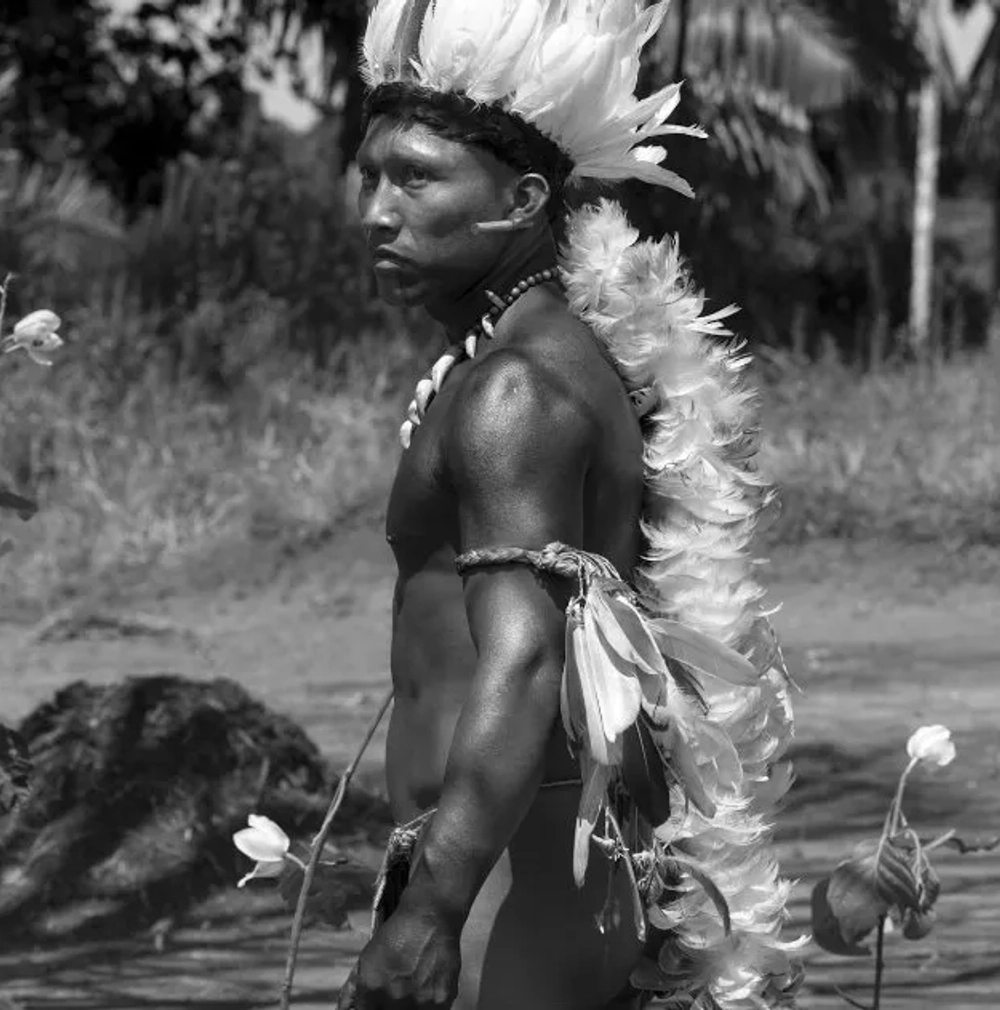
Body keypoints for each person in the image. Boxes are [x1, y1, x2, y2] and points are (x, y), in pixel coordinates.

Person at [331, 1, 806, 1008]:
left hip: (516, 874)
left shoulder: (514, 392)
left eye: (415, 177)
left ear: (522, 198)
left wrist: (429, 913)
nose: (374, 209)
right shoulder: (547, 356)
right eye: (369, 174)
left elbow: (530, 654)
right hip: (541, 859)